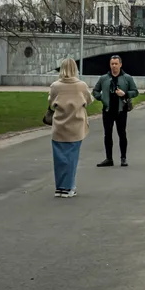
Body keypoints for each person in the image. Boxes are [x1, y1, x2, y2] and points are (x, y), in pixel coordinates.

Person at [48, 58, 94, 198]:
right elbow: (88, 101)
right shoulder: (81, 85)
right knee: (72, 158)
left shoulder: (55, 86)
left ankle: (60, 187)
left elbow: (51, 102)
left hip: (59, 126)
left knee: (59, 158)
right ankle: (69, 187)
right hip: (75, 125)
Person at [92, 55, 139, 167]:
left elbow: (135, 91)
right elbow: (95, 91)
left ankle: (123, 158)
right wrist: (101, 98)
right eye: (112, 64)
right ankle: (109, 158)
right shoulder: (104, 78)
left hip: (121, 110)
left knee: (122, 134)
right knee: (107, 134)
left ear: (120, 64)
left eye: (116, 64)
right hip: (108, 110)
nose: (114, 66)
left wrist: (125, 94)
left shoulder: (127, 78)